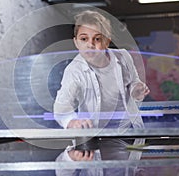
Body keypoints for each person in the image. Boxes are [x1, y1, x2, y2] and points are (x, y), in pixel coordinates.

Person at [53, 10, 150, 175]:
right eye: (84, 39)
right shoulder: (74, 71)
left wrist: (137, 89)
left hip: (128, 131)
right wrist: (72, 122)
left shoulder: (123, 57)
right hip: (98, 137)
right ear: (76, 42)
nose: (90, 44)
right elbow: (61, 108)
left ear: (107, 42)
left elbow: (132, 82)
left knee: (128, 169)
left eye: (97, 39)